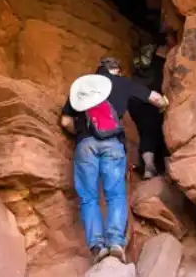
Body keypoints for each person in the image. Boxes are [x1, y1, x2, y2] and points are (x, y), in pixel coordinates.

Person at [60, 57, 168, 262]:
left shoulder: (83, 85)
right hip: (112, 144)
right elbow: (155, 98)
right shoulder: (122, 83)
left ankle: (97, 247)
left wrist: (82, 134)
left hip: (85, 145)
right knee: (115, 194)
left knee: (88, 198)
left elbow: (66, 121)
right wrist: (164, 106)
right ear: (116, 70)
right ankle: (116, 242)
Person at [130, 44, 168, 179]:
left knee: (145, 133)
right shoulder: (158, 65)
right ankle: (158, 169)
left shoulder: (137, 66)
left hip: (134, 102)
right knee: (161, 133)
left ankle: (147, 167)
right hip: (153, 101)